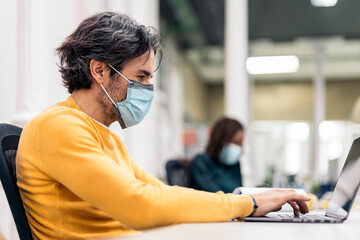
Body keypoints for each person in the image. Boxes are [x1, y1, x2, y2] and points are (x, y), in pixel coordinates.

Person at [16, 12, 310, 240]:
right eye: (141, 77)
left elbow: (159, 193)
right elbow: (139, 206)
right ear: (100, 70)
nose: (148, 88)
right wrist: (250, 204)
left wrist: (246, 202)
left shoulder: (107, 139)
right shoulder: (58, 126)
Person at [189, 117, 244, 193]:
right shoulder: (201, 162)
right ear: (220, 140)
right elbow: (214, 196)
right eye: (235, 142)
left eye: (240, 143)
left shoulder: (235, 165)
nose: (238, 147)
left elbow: (240, 192)